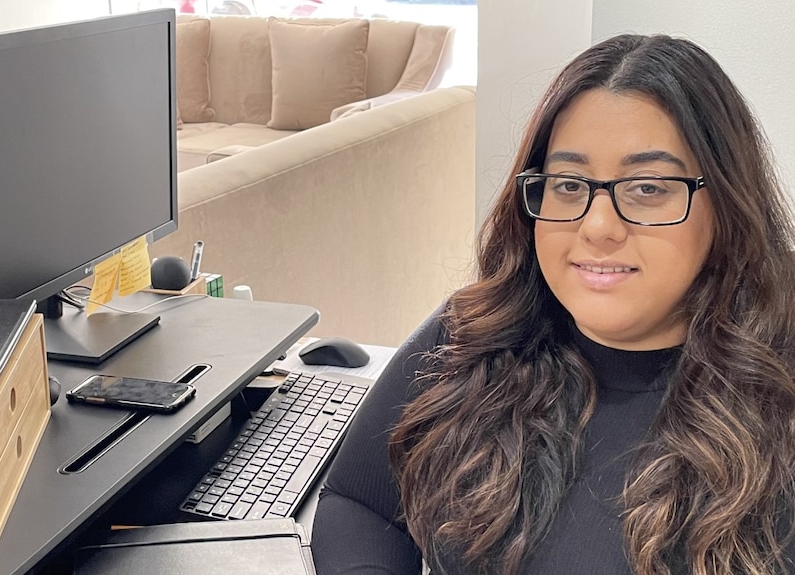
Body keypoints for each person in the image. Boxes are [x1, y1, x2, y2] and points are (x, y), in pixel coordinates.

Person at [310, 33, 795, 575]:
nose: (598, 227)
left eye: (648, 188)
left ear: (727, 203)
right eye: (568, 184)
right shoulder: (477, 333)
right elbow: (359, 500)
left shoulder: (778, 396)